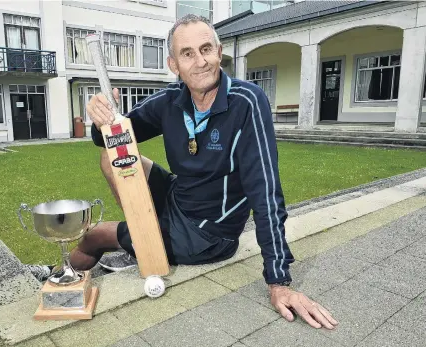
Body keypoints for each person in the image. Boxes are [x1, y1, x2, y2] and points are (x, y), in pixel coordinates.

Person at [30, 14, 338, 330]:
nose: (200, 61)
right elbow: (113, 139)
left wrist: (279, 281)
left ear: (219, 52)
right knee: (113, 159)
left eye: (206, 49)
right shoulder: (171, 101)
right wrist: (101, 118)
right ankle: (137, 239)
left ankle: (61, 273)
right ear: (174, 64)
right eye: (187, 53)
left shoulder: (246, 101)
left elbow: (266, 191)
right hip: (179, 198)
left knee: (95, 236)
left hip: (207, 233)